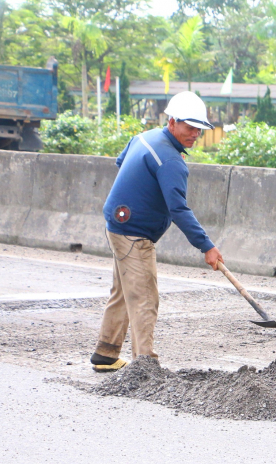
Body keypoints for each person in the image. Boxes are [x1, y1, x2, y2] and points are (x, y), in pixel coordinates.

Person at [90, 91, 224, 371]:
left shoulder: (145, 137)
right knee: (144, 298)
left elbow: (121, 161)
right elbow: (179, 210)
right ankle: (145, 368)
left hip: (116, 223)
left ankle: (106, 353)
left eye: (198, 129)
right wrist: (207, 246)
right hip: (134, 234)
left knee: (125, 292)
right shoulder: (171, 161)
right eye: (189, 127)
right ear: (173, 122)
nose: (195, 134)